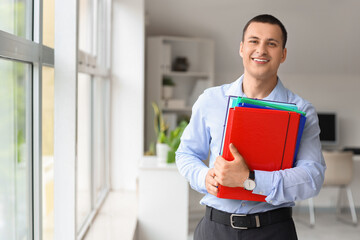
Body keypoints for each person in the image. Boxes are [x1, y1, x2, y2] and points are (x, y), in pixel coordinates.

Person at [176, 14, 326, 240]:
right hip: (214, 229)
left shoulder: (302, 110)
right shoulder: (211, 100)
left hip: (274, 230)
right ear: (241, 48)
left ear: (283, 54)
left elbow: (312, 177)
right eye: (254, 41)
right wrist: (204, 176)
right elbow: (186, 153)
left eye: (272, 44)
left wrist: (250, 179)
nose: (261, 50)